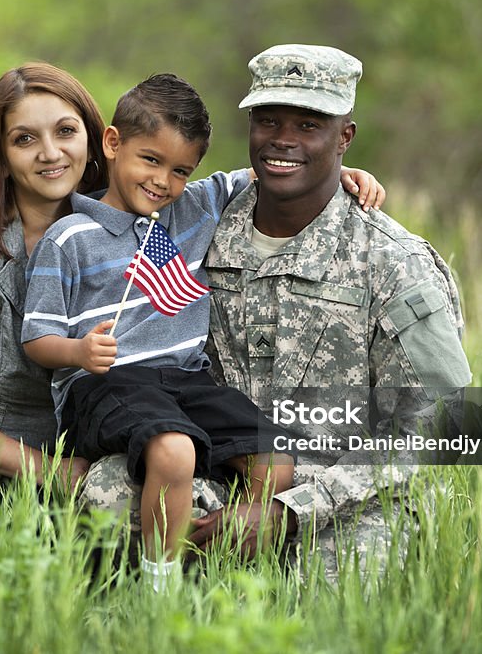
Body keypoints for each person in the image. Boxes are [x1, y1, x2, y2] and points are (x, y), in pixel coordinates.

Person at [0, 61, 385, 498]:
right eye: (24, 138)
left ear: (96, 138)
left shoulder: (141, 208)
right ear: (0, 152)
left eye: (65, 131)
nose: (50, 153)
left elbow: (249, 178)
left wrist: (334, 173)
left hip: (93, 467)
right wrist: (47, 471)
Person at [80, 44, 472, 582]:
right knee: (108, 489)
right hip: (225, 467)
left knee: (345, 582)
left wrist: (291, 512)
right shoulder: (199, 225)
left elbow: (440, 422)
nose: (283, 139)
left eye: (309, 124)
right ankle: (148, 615)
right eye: (268, 120)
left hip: (344, 497)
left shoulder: (394, 261)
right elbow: (108, 206)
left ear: (345, 137)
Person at [22, 74, 294, 588]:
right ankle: (160, 588)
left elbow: (266, 175)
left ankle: (238, 569)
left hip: (186, 380)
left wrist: (348, 172)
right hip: (106, 386)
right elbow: (36, 340)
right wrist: (79, 352)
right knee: (174, 452)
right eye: (151, 160)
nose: (164, 182)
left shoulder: (191, 206)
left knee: (273, 459)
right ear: (113, 143)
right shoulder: (68, 238)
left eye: (180, 170)